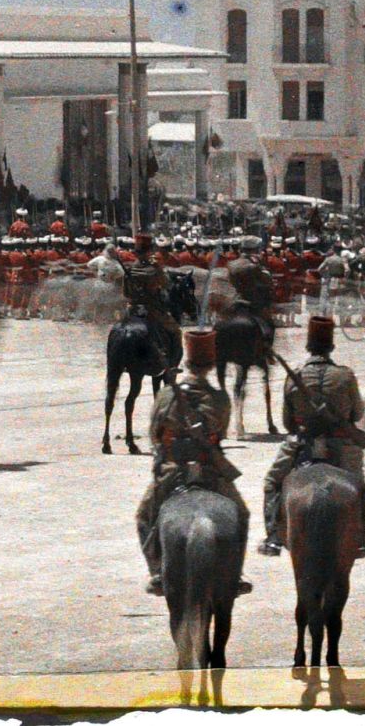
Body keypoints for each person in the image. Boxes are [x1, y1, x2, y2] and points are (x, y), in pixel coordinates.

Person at [137, 329, 251, 596]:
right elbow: (221, 434)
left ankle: (157, 572)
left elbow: (154, 435)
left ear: (187, 363)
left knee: (143, 516)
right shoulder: (220, 398)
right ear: (211, 365)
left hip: (172, 471)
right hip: (211, 470)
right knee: (241, 514)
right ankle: (236, 573)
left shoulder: (166, 395)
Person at [259, 314, 365, 556]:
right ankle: (360, 539)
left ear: (309, 346)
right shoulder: (345, 375)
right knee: (359, 484)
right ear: (331, 346)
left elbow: (287, 422)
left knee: (272, 482)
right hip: (339, 441)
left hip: (303, 442)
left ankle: (273, 537)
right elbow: (358, 412)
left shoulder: (295, 375)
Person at [120, 233, 181, 370]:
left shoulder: (129, 269)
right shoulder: (154, 269)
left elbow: (125, 293)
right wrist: (159, 269)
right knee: (176, 331)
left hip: (131, 309)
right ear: (149, 251)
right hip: (152, 309)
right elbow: (166, 285)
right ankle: (173, 366)